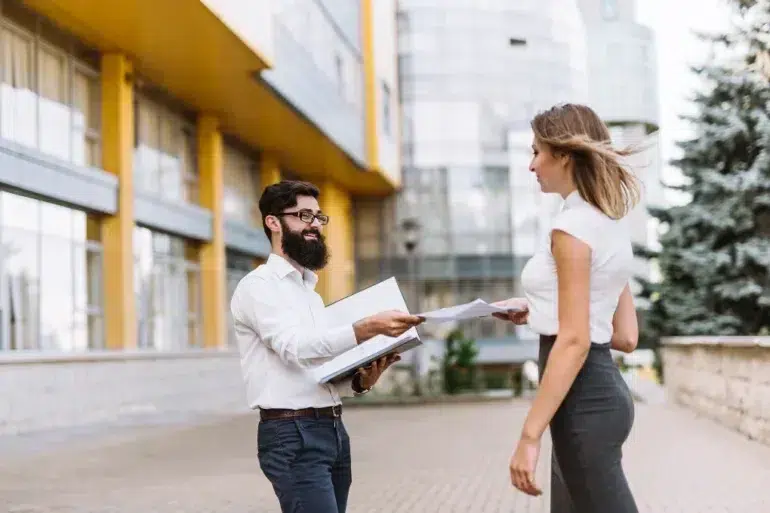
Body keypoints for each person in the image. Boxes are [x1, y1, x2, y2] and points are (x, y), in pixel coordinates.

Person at [230, 179, 423, 513]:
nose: (314, 225)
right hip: (292, 434)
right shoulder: (259, 287)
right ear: (273, 222)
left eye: (318, 218)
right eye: (304, 216)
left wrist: (360, 380)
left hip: (331, 430)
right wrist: (366, 328)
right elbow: (295, 348)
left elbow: (318, 368)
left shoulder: (310, 294)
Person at [494, 103, 641, 512]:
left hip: (582, 404)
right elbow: (626, 336)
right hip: (600, 395)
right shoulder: (606, 222)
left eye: (536, 152)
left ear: (563, 154)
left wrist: (529, 436)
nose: (531, 165)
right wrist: (540, 310)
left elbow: (575, 338)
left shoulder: (572, 229)